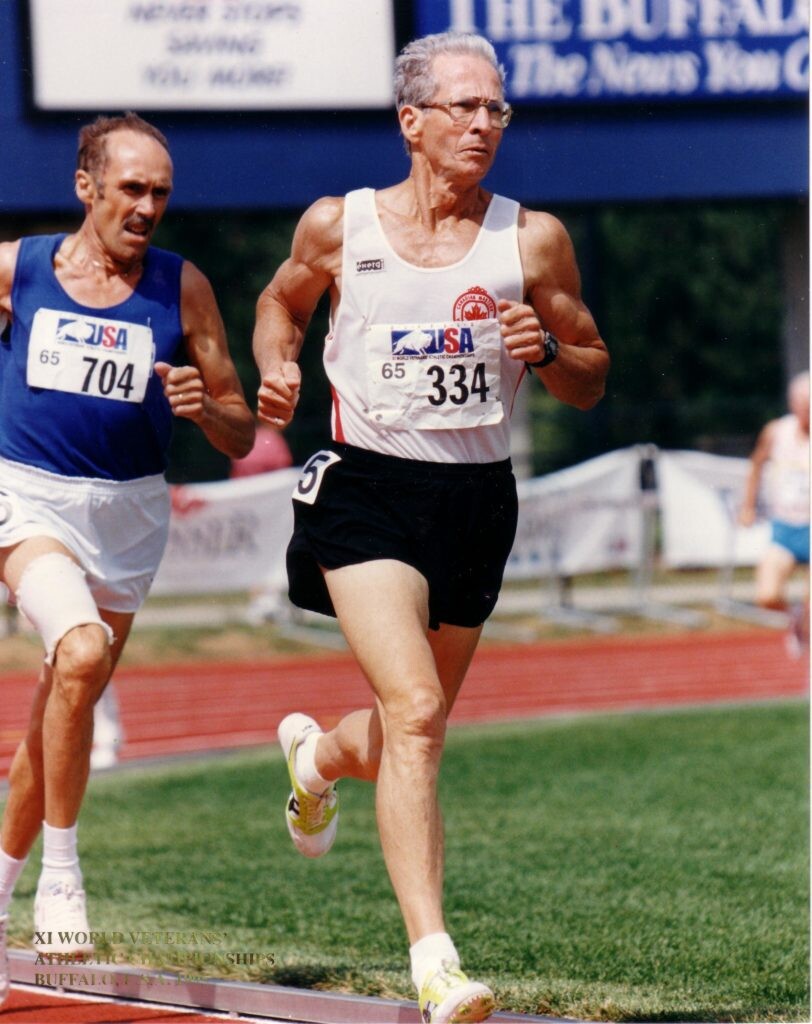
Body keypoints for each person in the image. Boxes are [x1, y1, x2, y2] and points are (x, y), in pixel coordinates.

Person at [253, 31, 609, 1024]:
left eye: (497, 108)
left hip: (474, 500)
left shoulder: (530, 240)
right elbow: (280, 302)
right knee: (413, 711)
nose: (484, 124)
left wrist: (550, 355)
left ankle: (317, 758)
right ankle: (435, 961)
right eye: (464, 106)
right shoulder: (341, 224)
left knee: (416, 728)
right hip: (363, 487)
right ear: (411, 120)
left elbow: (591, 373)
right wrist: (278, 363)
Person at [0, 112, 254, 1004]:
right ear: (87, 187)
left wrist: (202, 406)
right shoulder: (20, 269)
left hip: (130, 517)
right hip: (27, 495)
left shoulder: (183, 289)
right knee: (79, 653)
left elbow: (241, 425)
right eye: (132, 189)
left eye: (161, 194)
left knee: (61, 706)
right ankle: (63, 876)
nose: (147, 208)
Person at [739, 371, 810, 652]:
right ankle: (796, 618)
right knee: (766, 596)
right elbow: (756, 464)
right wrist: (748, 506)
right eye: (803, 405)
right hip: (785, 528)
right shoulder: (776, 432)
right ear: (793, 404)